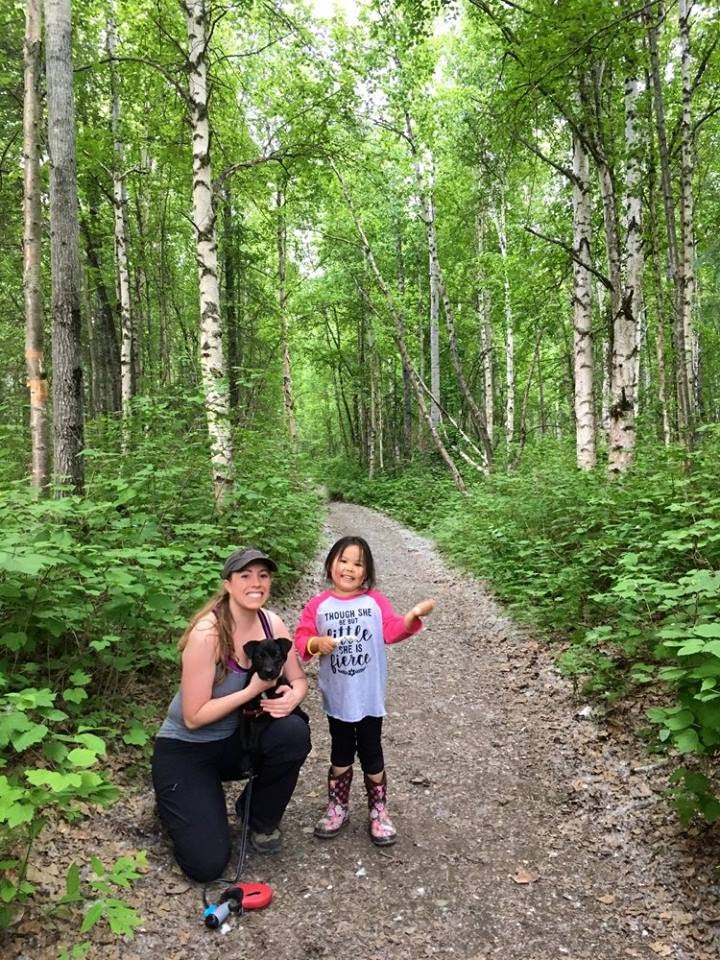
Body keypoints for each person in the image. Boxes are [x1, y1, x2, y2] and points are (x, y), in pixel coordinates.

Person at [152, 548, 311, 882]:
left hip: (234, 741)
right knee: (206, 865)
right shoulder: (207, 634)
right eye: (245, 576)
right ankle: (180, 801)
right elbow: (193, 717)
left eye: (263, 575)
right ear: (227, 584)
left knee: (293, 733)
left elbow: (298, 679)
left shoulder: (272, 624)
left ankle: (257, 818)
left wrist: (291, 697)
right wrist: (252, 691)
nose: (256, 583)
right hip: (187, 749)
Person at [294, 536, 434, 846]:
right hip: (339, 697)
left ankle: (379, 810)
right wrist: (316, 643)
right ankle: (337, 806)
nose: (349, 568)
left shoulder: (374, 601)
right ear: (331, 563)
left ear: (366, 572)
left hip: (369, 696)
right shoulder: (318, 605)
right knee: (341, 751)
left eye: (358, 564)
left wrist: (411, 618)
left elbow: (392, 630)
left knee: (372, 751)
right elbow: (301, 640)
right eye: (343, 561)